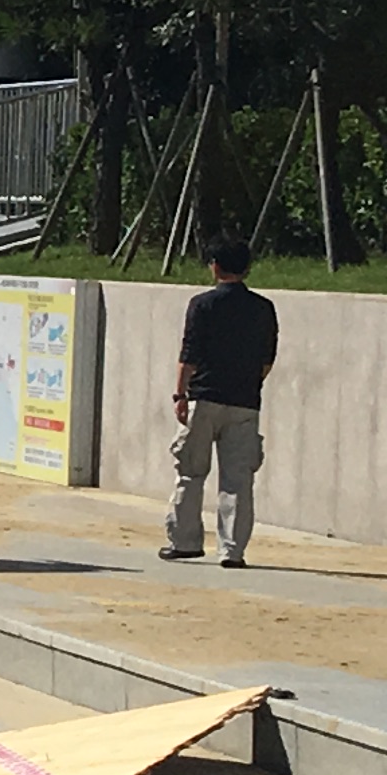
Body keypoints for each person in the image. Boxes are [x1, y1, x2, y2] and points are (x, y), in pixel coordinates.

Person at [162, 240, 280, 569]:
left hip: (204, 398)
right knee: (238, 480)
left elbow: (189, 354)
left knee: (190, 472)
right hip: (245, 402)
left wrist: (180, 394)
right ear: (247, 268)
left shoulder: (202, 304)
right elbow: (267, 359)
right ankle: (232, 550)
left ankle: (185, 542)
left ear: (215, 266)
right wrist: (250, 383)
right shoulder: (263, 308)